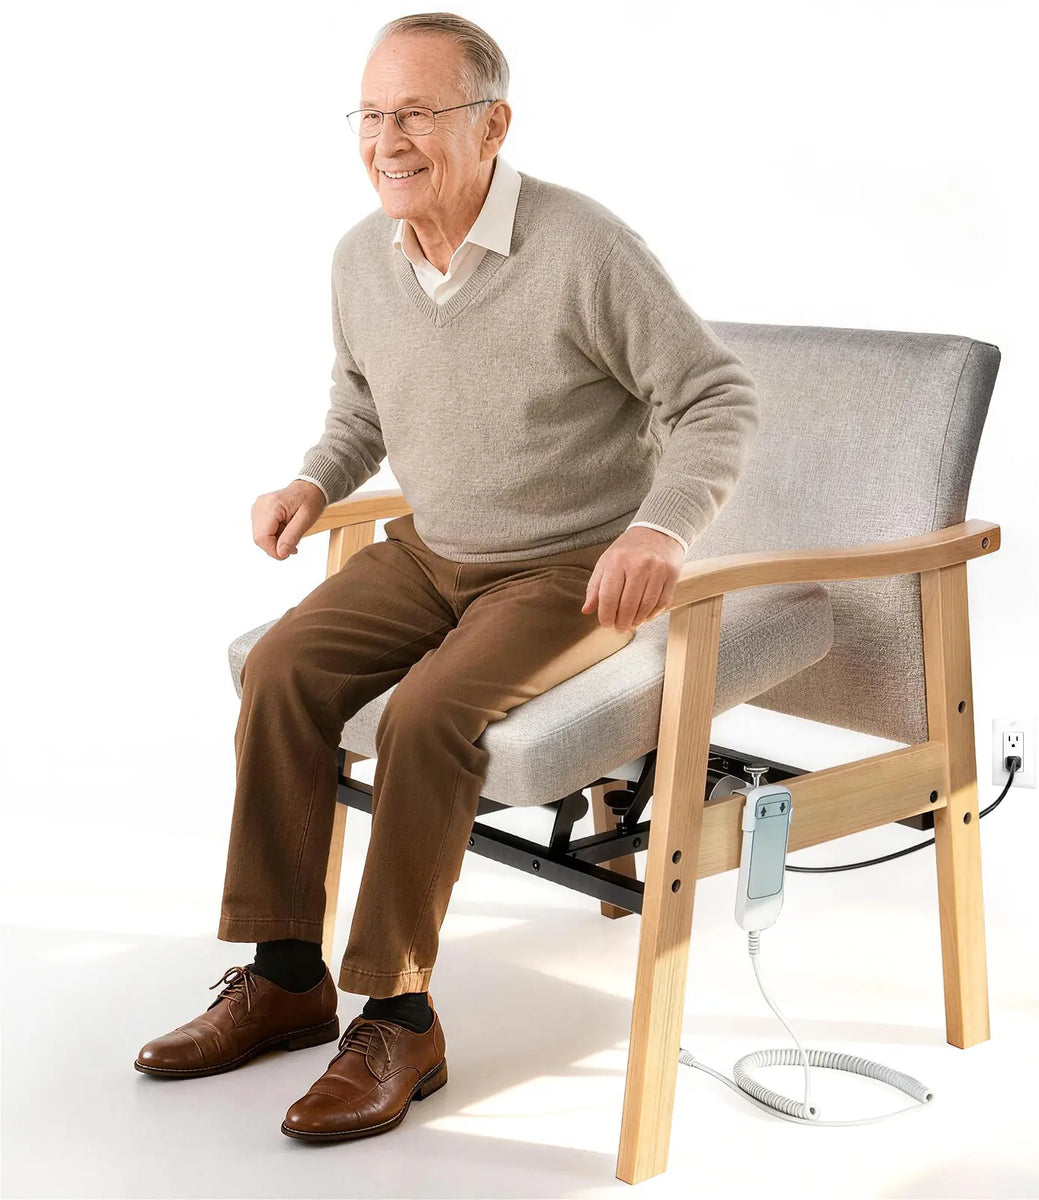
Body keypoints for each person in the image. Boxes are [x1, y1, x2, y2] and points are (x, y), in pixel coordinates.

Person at [134, 12, 760, 1143]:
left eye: (417, 112)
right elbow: (364, 407)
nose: (388, 139)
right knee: (282, 668)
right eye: (372, 114)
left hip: (566, 564)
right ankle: (285, 977)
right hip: (431, 551)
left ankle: (400, 1015)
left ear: (492, 124)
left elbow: (716, 396)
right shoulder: (358, 257)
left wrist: (660, 529)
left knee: (428, 717)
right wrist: (315, 485)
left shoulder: (581, 247)